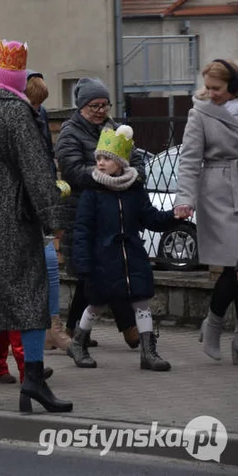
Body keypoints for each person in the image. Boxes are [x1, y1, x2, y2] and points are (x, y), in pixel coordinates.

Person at [0, 40, 70, 414]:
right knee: (31, 299)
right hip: (14, 221)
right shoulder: (18, 115)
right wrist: (54, 220)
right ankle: (33, 380)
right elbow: (37, 174)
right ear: (18, 81)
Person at [67, 125, 176, 371]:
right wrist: (83, 263)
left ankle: (149, 353)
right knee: (96, 303)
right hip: (102, 259)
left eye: (107, 159)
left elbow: (151, 218)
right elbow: (83, 230)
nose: (101, 163)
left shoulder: (134, 189)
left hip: (132, 256)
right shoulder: (92, 192)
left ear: (121, 162)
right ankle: (78, 343)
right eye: (99, 158)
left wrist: (175, 216)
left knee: (142, 302)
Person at [56, 77, 142, 349]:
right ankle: (130, 329)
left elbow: (135, 159)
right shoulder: (70, 132)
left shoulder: (116, 129)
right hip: (84, 211)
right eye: (94, 105)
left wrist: (128, 174)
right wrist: (107, 175)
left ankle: (73, 331)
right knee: (102, 271)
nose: (100, 110)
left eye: (105, 104)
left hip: (113, 213)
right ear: (82, 106)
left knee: (95, 274)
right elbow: (72, 170)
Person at [174, 59, 238, 363]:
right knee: (233, 265)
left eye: (218, 88)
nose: (212, 93)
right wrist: (184, 199)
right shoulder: (199, 113)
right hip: (218, 193)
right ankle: (213, 323)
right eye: (209, 88)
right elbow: (189, 159)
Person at [25, 73, 69, 352]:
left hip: (39, 198)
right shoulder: (14, 116)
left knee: (50, 263)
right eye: (35, 104)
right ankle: (19, 336)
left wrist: (52, 193)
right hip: (19, 203)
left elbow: (45, 156)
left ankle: (53, 326)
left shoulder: (38, 115)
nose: (38, 110)